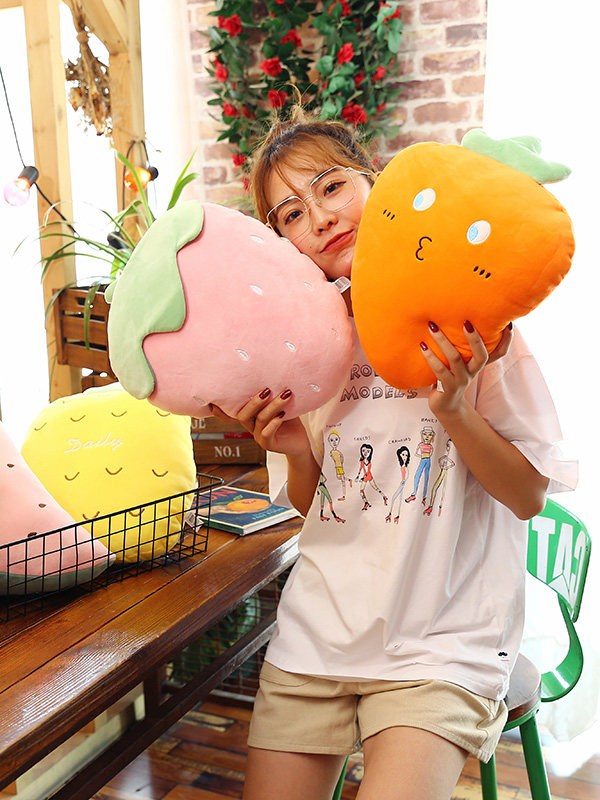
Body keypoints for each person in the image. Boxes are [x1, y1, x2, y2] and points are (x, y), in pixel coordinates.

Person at [214, 106, 577, 800]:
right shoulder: (302, 347)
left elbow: (528, 495)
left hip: (443, 646)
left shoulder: (475, 322)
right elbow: (313, 506)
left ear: (375, 183)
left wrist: (455, 409)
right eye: (291, 215)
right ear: (284, 245)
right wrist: (295, 451)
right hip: (318, 634)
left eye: (331, 187)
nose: (321, 218)